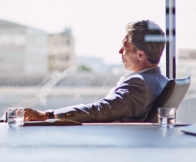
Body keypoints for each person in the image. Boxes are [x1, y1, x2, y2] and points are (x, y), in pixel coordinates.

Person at [25, 20, 169, 123]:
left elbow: (103, 110)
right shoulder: (160, 81)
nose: (120, 51)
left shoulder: (140, 84)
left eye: (125, 47)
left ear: (141, 55)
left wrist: (49, 115)